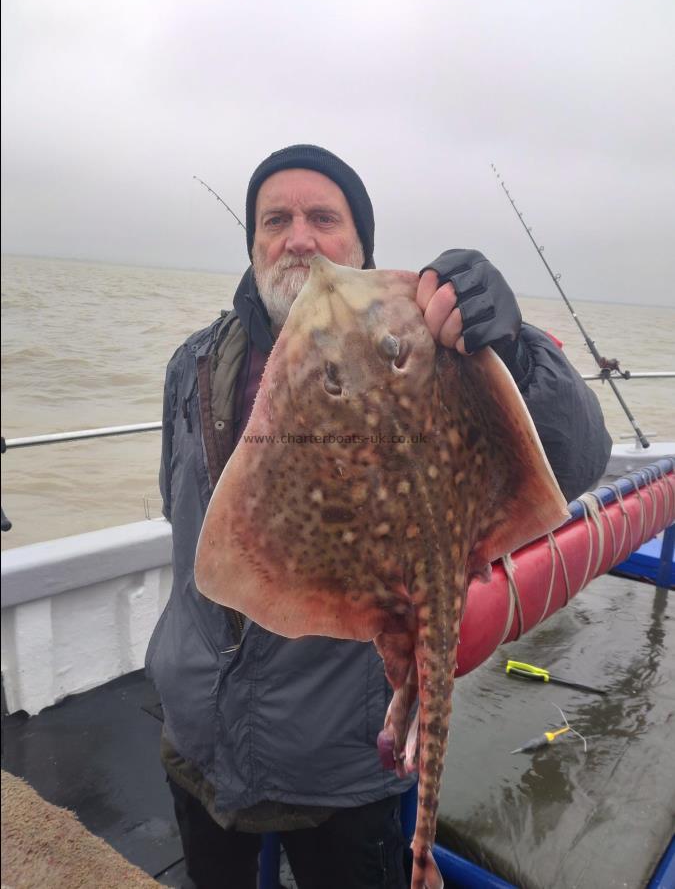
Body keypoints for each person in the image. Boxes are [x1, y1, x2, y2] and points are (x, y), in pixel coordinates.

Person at [145, 144, 612, 889]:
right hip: (195, 733)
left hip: (339, 760)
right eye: (276, 220)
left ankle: (419, 856)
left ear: (361, 244)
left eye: (323, 218)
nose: (299, 238)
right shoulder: (194, 362)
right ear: (253, 243)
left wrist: (515, 351)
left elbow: (576, 455)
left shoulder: (426, 347)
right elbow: (181, 517)